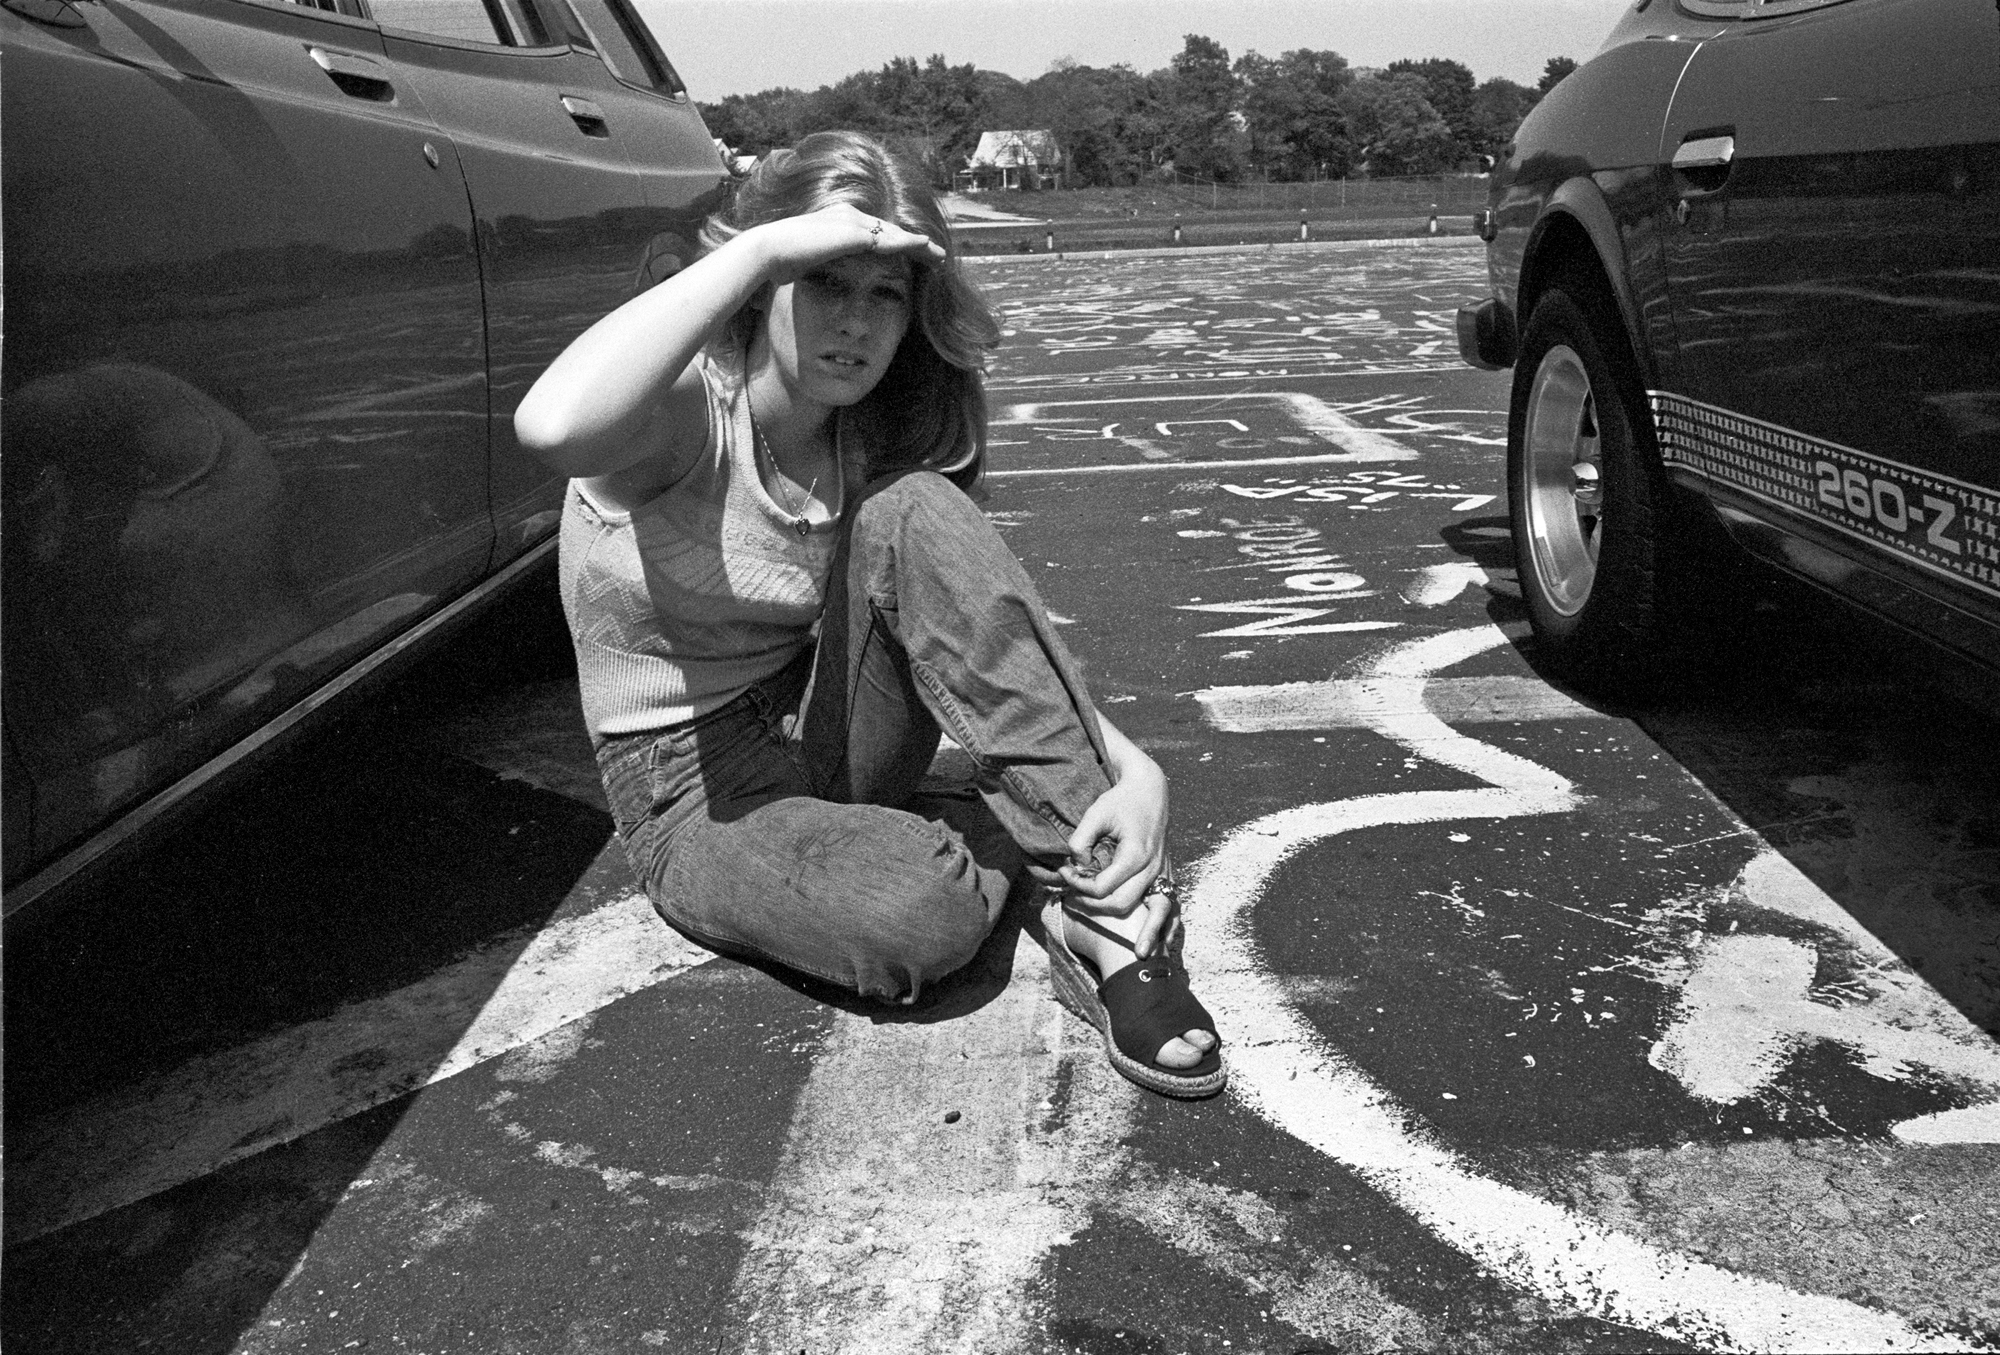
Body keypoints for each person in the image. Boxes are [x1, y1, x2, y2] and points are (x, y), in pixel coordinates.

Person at [514, 131, 1222, 1098]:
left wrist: (1130, 766)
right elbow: (551, 426)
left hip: (824, 721)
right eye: (825, 282)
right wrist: (763, 247)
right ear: (766, 285)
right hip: (691, 788)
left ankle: (1107, 921)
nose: (855, 324)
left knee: (918, 509)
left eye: (884, 295)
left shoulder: (874, 438)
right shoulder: (684, 410)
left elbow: (976, 635)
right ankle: (994, 831)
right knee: (912, 917)